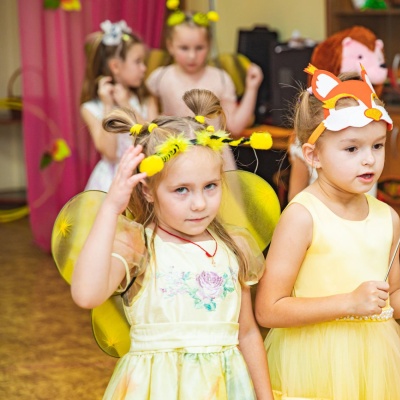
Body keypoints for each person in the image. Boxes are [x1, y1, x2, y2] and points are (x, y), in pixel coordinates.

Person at [254, 65, 400, 400]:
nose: (369, 160)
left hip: (374, 364)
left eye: (377, 146)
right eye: (352, 149)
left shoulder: (387, 217)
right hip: (314, 364)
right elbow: (268, 309)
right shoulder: (303, 216)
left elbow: (388, 301)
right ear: (313, 156)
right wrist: (349, 302)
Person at [70, 89, 273, 399]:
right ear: (148, 190)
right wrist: (111, 207)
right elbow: (86, 294)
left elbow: (246, 333)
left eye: (210, 186)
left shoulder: (234, 245)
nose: (199, 203)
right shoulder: (139, 244)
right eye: (181, 190)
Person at [146, 8, 262, 137]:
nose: (192, 56)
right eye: (184, 48)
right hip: (173, 148)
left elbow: (235, 127)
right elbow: (150, 120)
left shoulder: (220, 78)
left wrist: (252, 88)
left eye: (199, 48)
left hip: (212, 149)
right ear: (170, 46)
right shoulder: (160, 77)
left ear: (209, 45)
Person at [81, 20, 157, 191]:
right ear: (115, 66)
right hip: (111, 182)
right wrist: (108, 106)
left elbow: (154, 140)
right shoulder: (91, 108)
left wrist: (125, 104)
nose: (144, 68)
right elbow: (109, 153)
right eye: (137, 62)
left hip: (145, 175)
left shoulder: (146, 99)